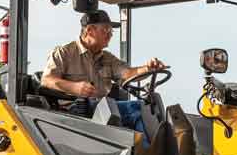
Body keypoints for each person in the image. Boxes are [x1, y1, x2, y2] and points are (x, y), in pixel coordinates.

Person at [42, 10, 166, 140]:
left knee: (149, 112)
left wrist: (148, 68)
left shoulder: (108, 58)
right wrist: (74, 87)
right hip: (73, 112)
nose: (110, 35)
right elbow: (47, 80)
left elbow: (128, 74)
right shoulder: (64, 53)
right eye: (106, 30)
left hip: (103, 111)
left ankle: (146, 152)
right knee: (138, 109)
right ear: (90, 30)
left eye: (111, 32)